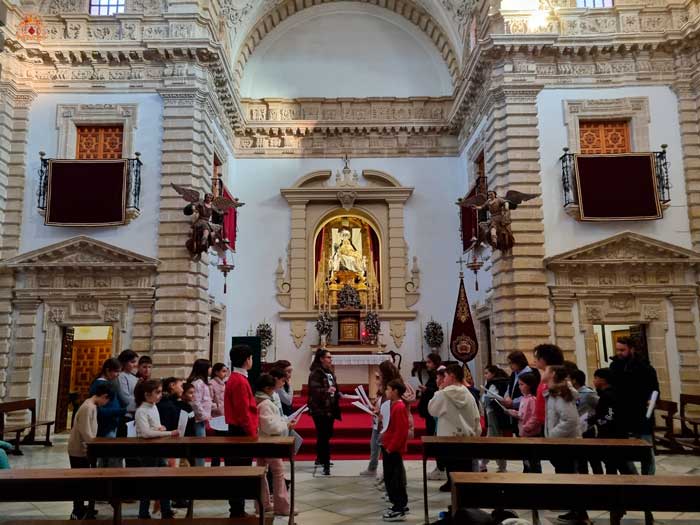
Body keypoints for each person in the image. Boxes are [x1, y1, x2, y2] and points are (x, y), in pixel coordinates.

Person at [610, 336, 659, 476]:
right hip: (622, 414)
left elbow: (655, 390)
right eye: (617, 349)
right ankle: (633, 478)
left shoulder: (646, 368)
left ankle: (648, 480)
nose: (619, 353)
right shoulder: (615, 366)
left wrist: (652, 400)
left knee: (646, 451)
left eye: (622, 350)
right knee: (621, 452)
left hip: (641, 414)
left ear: (632, 349)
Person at [428, 364, 481, 492]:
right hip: (466, 438)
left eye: (445, 376)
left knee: (452, 466)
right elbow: (476, 416)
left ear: (452, 376)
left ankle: (455, 497)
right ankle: (465, 496)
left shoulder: (443, 394)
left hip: (448, 439)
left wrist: (439, 391)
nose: (443, 379)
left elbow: (432, 410)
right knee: (464, 470)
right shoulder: (468, 394)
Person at [361, 360, 415, 478]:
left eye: (380, 372)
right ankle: (384, 478)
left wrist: (379, 412)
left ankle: (396, 484)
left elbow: (393, 406)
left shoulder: (395, 387)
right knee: (377, 448)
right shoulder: (388, 385)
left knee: (394, 460)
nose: (379, 374)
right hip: (382, 422)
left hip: (389, 425)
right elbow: (383, 399)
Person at [134, 379, 178, 519]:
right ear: (147, 394)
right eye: (157, 392)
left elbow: (154, 426)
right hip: (147, 451)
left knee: (163, 481)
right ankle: (143, 513)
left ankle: (166, 510)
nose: (160, 395)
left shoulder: (153, 406)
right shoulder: (141, 410)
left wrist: (160, 428)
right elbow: (146, 433)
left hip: (157, 448)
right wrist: (168, 433)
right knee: (148, 484)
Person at [67, 382, 111, 520]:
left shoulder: (91, 406)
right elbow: (86, 431)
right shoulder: (87, 407)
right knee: (79, 481)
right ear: (104, 396)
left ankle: (83, 506)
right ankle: (77, 510)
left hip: (85, 448)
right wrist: (93, 445)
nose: (106, 403)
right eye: (107, 400)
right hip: (79, 449)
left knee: (85, 481)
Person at [225, 344, 259, 518]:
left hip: (238, 429)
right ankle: (237, 510)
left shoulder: (237, 378)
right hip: (240, 432)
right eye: (251, 358)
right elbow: (243, 412)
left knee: (239, 470)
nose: (252, 360)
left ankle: (238, 508)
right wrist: (252, 432)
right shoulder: (239, 380)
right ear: (247, 360)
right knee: (239, 471)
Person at [255, 373, 297, 516]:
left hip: (263, 441)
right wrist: (286, 425)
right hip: (269, 442)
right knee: (278, 473)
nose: (274, 391)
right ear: (267, 388)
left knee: (262, 473)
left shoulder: (261, 400)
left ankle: (264, 504)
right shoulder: (265, 403)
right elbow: (270, 427)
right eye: (272, 389)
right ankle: (282, 507)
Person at [381, 379, 410, 522]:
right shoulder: (392, 405)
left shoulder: (399, 407)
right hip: (388, 446)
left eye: (388, 389)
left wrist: (390, 447)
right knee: (390, 477)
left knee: (394, 479)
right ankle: (398, 505)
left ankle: (399, 507)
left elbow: (401, 431)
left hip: (392, 449)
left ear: (395, 391)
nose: (386, 391)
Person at [308, 348, 340, 476]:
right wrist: (327, 391)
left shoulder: (329, 372)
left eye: (331, 357)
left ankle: (320, 458)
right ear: (321, 359)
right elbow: (314, 391)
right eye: (328, 357)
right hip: (320, 409)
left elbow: (334, 387)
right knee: (323, 435)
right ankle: (325, 464)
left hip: (330, 408)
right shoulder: (316, 373)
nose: (330, 359)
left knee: (326, 434)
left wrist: (338, 393)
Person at [506, 372, 542, 471]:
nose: (519, 387)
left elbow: (535, 416)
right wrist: (513, 413)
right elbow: (523, 414)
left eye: (522, 384)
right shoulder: (524, 399)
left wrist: (527, 427)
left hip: (531, 434)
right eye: (519, 384)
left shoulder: (532, 399)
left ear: (530, 385)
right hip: (523, 433)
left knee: (533, 461)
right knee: (526, 460)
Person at [417, 353, 443, 480]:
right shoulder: (434, 375)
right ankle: (439, 467)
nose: (427, 364)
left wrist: (426, 389)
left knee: (436, 439)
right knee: (433, 438)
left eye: (429, 362)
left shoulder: (438, 374)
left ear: (435, 362)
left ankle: (441, 468)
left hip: (434, 414)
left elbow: (438, 391)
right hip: (430, 413)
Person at [480, 365, 510, 473]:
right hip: (499, 415)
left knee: (492, 441)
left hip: (493, 414)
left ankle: (484, 464)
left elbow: (487, 399)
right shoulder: (503, 381)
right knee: (496, 440)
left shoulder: (494, 383)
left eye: (487, 373)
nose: (485, 375)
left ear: (493, 374)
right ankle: (500, 466)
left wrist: (484, 398)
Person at [187, 358, 212, 466]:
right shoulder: (198, 383)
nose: (210, 369)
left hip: (202, 418)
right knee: (200, 446)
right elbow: (195, 402)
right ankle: (199, 468)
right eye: (209, 367)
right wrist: (204, 415)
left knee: (202, 445)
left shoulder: (202, 382)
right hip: (198, 419)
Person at [115, 349, 139, 427]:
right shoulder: (121, 376)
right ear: (124, 362)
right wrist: (140, 404)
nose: (135, 365)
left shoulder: (134, 377)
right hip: (126, 416)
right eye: (132, 362)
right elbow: (125, 398)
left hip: (136, 414)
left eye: (136, 362)